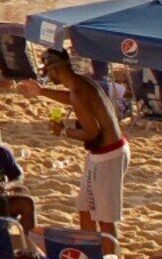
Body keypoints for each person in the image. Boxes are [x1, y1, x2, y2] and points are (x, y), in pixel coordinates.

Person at [39, 51, 127, 232]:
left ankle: (109, 258)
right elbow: (72, 98)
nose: (48, 76)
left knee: (105, 219)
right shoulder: (81, 82)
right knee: (85, 208)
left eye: (48, 72)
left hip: (109, 156)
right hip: (102, 154)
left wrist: (64, 131)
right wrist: (40, 92)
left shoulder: (78, 90)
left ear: (56, 69)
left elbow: (92, 133)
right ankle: (90, 253)